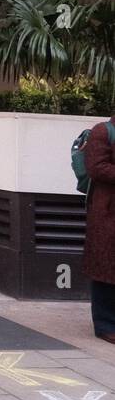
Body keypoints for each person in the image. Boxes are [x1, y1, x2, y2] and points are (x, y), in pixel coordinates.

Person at [82, 112, 115, 344]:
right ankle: (105, 324)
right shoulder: (103, 131)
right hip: (107, 211)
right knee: (105, 267)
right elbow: (96, 167)